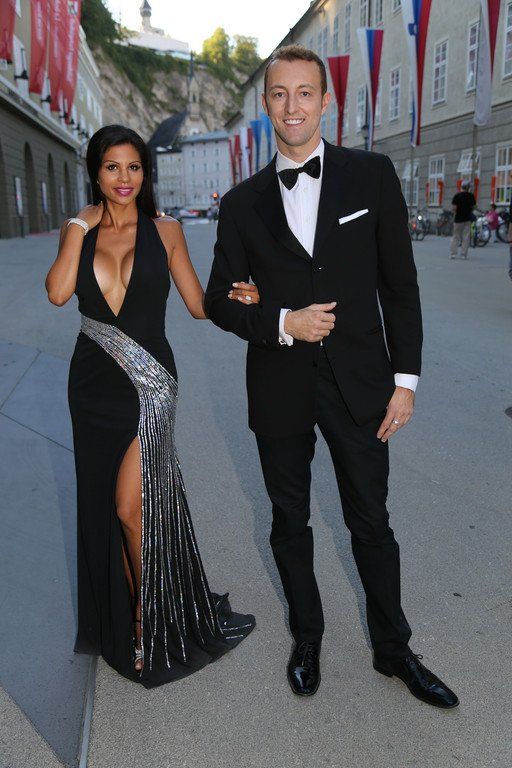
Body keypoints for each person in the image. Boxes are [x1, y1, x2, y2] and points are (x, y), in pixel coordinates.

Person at [205, 45, 458, 708]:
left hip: (361, 382)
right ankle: (307, 638)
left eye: (304, 93)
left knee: (371, 521)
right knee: (289, 520)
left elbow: (400, 286)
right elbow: (218, 299)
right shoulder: (241, 203)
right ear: (266, 105)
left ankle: (393, 649)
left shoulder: (370, 177)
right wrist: (282, 320)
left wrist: (406, 382)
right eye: (279, 94)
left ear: (326, 100)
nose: (292, 106)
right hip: (279, 383)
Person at [45, 125, 259, 688]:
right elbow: (59, 293)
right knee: (104, 503)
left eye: (134, 167)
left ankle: (149, 617)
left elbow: (198, 304)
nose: (124, 178)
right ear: (96, 173)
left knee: (129, 507)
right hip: (91, 385)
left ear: (146, 173)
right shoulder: (79, 230)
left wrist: (243, 295)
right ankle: (122, 616)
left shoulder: (166, 230)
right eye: (112, 167)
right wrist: (77, 227)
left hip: (150, 384)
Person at [450, 180, 476, 259]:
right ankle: (463, 254)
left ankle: (453, 254)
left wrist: (455, 213)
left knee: (456, 236)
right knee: (466, 237)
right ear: (468, 188)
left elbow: (454, 208)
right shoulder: (471, 196)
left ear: (461, 187)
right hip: (467, 219)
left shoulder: (457, 196)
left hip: (458, 219)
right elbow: (473, 207)